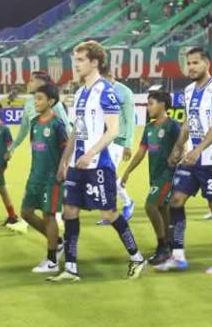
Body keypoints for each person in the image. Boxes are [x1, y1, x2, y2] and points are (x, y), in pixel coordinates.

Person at [49, 40, 146, 282]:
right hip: (77, 165)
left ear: (95, 62)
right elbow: (77, 131)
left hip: (97, 164)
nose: (76, 64)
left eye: (81, 60)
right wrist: (64, 161)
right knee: (70, 211)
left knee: (109, 212)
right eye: (76, 59)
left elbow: (112, 130)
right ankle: (70, 267)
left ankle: (137, 257)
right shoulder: (80, 93)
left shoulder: (106, 90)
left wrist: (90, 153)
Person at [160, 47, 212, 274]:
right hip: (192, 159)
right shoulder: (189, 90)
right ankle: (178, 256)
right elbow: (188, 122)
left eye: (195, 63)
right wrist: (178, 146)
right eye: (188, 63)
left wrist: (198, 149)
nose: (190, 67)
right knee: (175, 201)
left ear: (206, 64)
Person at [120, 90, 180, 265]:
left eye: (151, 103)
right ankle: (170, 244)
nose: (148, 107)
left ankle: (162, 247)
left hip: (168, 174)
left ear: (162, 105)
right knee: (162, 209)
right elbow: (140, 152)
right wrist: (127, 171)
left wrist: (177, 158)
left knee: (150, 205)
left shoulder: (172, 125)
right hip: (154, 175)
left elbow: (181, 145)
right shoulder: (149, 128)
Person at [21, 84, 69, 274]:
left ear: (51, 102)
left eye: (40, 99)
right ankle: (57, 241)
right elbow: (34, 150)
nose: (36, 102)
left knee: (48, 215)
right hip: (35, 177)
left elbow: (65, 148)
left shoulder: (57, 124)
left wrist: (62, 169)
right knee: (26, 212)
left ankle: (51, 261)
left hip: (52, 178)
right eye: (35, 99)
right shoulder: (34, 123)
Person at [6, 70, 71, 159]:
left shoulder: (53, 102)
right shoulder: (28, 103)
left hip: (54, 153)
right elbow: (24, 129)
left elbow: (66, 127)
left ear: (42, 83)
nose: (28, 83)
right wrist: (13, 146)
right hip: (37, 153)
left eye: (32, 80)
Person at [101, 70, 137, 224]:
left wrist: (128, 144)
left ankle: (127, 203)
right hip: (104, 139)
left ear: (110, 76)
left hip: (118, 140)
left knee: (108, 174)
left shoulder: (124, 92)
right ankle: (112, 211)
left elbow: (130, 119)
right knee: (104, 174)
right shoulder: (100, 91)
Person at [0, 101, 22, 228]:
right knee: (1, 189)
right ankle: (12, 216)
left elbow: (10, 145)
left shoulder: (4, 129)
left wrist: (9, 154)